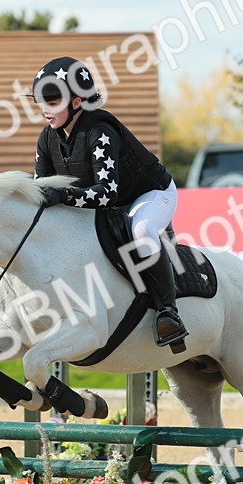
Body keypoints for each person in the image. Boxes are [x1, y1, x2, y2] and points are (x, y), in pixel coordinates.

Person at [29, 56, 186, 348]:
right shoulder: (46, 139)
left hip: (149, 195)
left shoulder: (100, 131)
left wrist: (62, 195)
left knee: (140, 233)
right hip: (107, 204)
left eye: (52, 102)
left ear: (76, 102)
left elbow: (106, 193)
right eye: (41, 102)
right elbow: (42, 189)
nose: (44, 110)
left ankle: (169, 312)